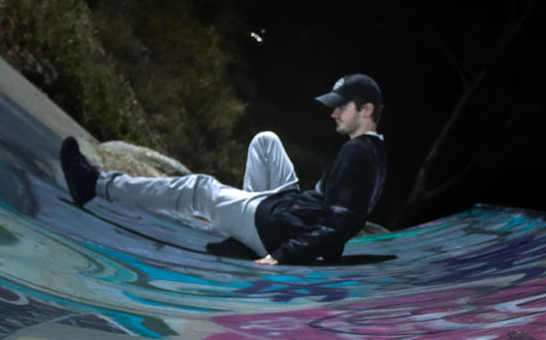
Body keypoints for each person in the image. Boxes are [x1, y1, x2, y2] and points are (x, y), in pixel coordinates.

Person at [59, 73, 387, 265]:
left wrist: (284, 254)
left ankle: (95, 184)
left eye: (342, 108)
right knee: (266, 141)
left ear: (367, 109)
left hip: (278, 231)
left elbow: (342, 223)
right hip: (289, 214)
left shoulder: (358, 153)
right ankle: (242, 236)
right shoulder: (371, 149)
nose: (334, 114)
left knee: (199, 189)